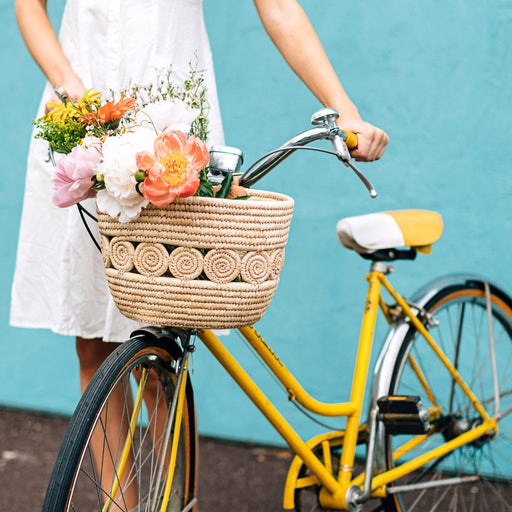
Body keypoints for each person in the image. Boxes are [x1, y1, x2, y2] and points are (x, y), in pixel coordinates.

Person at [12, 0, 388, 402]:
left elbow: (277, 6)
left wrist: (343, 110)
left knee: (160, 348)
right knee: (90, 341)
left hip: (168, 117)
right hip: (80, 116)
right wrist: (66, 84)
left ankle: (171, 467)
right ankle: (106, 468)